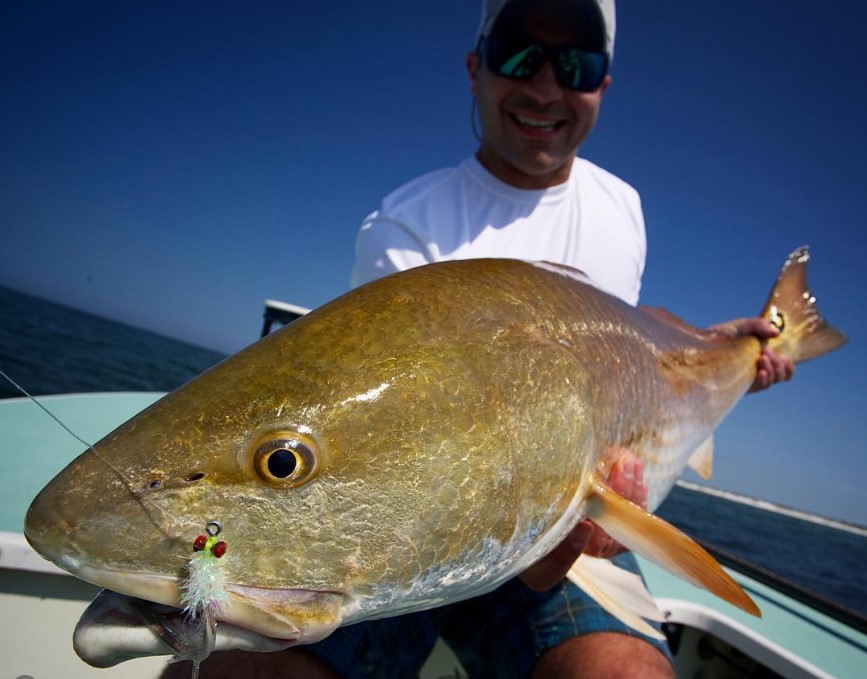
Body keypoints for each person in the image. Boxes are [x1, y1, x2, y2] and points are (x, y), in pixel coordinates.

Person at [162, 1, 792, 677]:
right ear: (474, 67)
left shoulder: (622, 206)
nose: (545, 87)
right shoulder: (408, 222)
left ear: (602, 85)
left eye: (576, 64)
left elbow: (636, 347)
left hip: (571, 528)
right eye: (518, 54)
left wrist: (724, 349)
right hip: (414, 524)